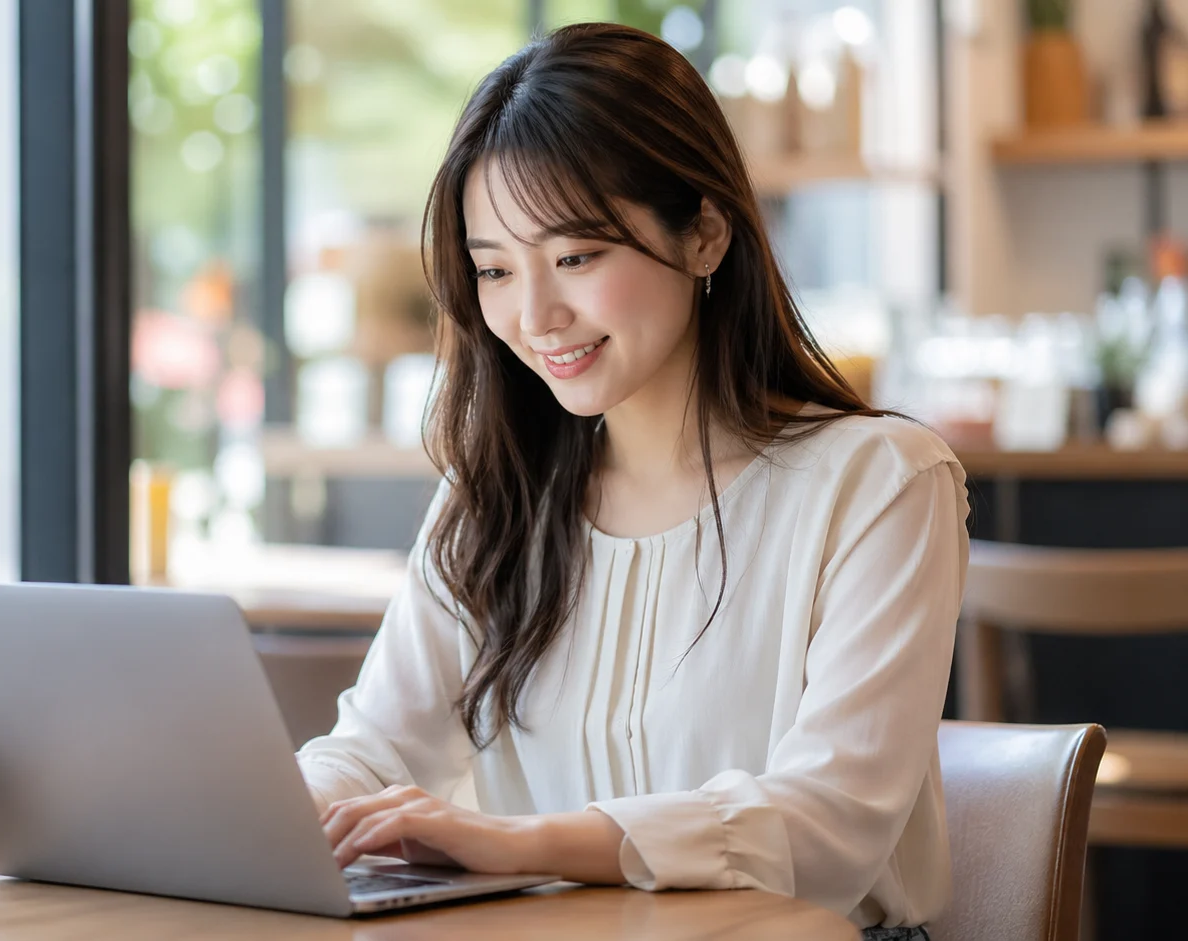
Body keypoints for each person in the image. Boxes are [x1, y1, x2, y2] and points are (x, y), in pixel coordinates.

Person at [295, 24, 965, 941]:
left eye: (575, 257)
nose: (534, 316)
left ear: (704, 235)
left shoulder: (880, 483)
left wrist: (522, 843)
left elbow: (830, 823)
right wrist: (255, 817)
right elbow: (373, 751)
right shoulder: (496, 494)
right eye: (494, 269)